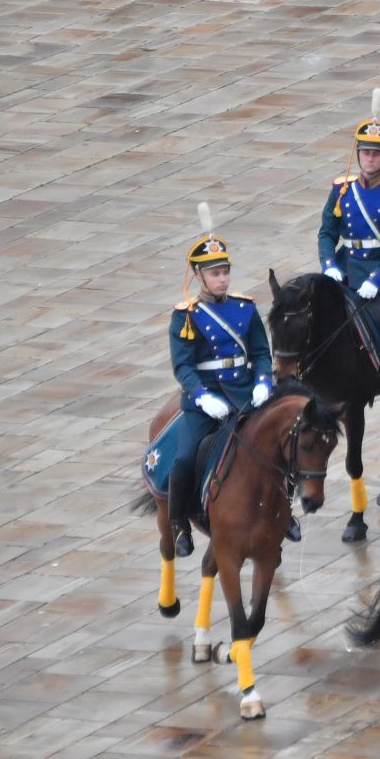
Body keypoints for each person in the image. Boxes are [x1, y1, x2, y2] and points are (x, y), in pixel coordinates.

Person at [166, 206, 275, 557]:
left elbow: (261, 351)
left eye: (225, 272)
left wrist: (262, 382)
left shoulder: (244, 308)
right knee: (183, 459)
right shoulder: (186, 316)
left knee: (282, 442)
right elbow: (183, 367)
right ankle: (179, 522)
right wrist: (199, 396)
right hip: (208, 398)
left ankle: (283, 513)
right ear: (200, 276)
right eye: (215, 273)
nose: (223, 279)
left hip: (244, 392)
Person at [318, 92, 380, 412]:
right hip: (347, 266)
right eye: (365, 152)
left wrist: (378, 280)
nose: (370, 159)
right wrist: (328, 265)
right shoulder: (342, 190)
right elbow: (326, 232)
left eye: (376, 154)